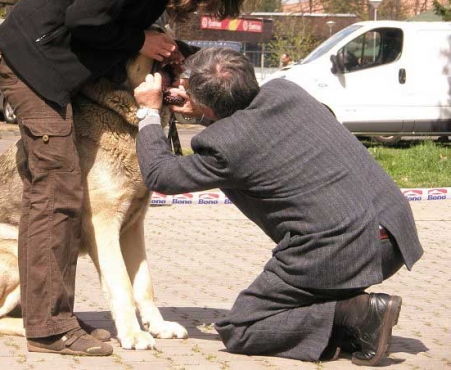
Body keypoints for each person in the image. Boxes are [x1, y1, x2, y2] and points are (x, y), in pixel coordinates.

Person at [0, 0, 254, 357]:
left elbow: (111, 30)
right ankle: (48, 327)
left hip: (57, 66)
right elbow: (84, 18)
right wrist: (142, 38)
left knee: (64, 188)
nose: (206, 0)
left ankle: (59, 315)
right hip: (29, 60)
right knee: (56, 187)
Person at [133, 47, 423, 366]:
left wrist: (148, 111)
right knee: (295, 304)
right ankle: (357, 325)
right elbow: (251, 129)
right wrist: (203, 109)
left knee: (244, 328)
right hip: (394, 233)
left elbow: (161, 174)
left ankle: (358, 313)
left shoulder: (223, 146)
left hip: (341, 249)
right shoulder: (286, 91)